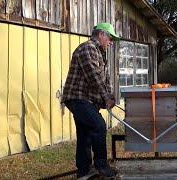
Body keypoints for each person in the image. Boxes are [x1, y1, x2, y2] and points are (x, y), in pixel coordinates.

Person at [61, 22, 119, 179]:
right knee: (99, 126)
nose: (111, 42)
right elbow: (94, 76)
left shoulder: (100, 54)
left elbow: (105, 79)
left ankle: (84, 170)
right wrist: (106, 97)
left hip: (85, 99)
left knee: (85, 133)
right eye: (110, 38)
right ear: (101, 35)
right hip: (77, 97)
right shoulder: (87, 48)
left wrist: (110, 96)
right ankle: (101, 166)